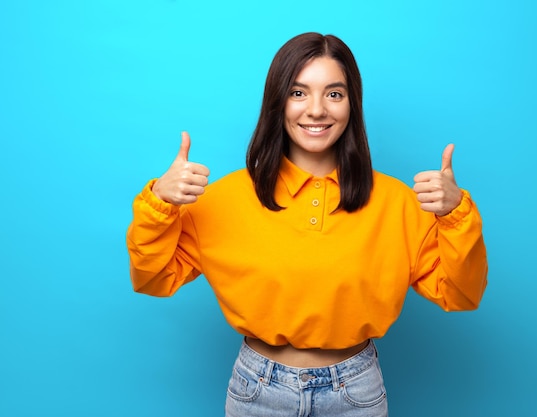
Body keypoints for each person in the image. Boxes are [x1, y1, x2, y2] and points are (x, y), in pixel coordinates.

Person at [126, 32, 487, 417]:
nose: (316, 110)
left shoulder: (397, 202)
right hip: (257, 391)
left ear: (352, 104)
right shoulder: (223, 199)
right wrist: (160, 202)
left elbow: (461, 294)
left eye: (334, 94)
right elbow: (153, 279)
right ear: (276, 102)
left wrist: (454, 214)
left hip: (356, 393)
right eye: (298, 92)